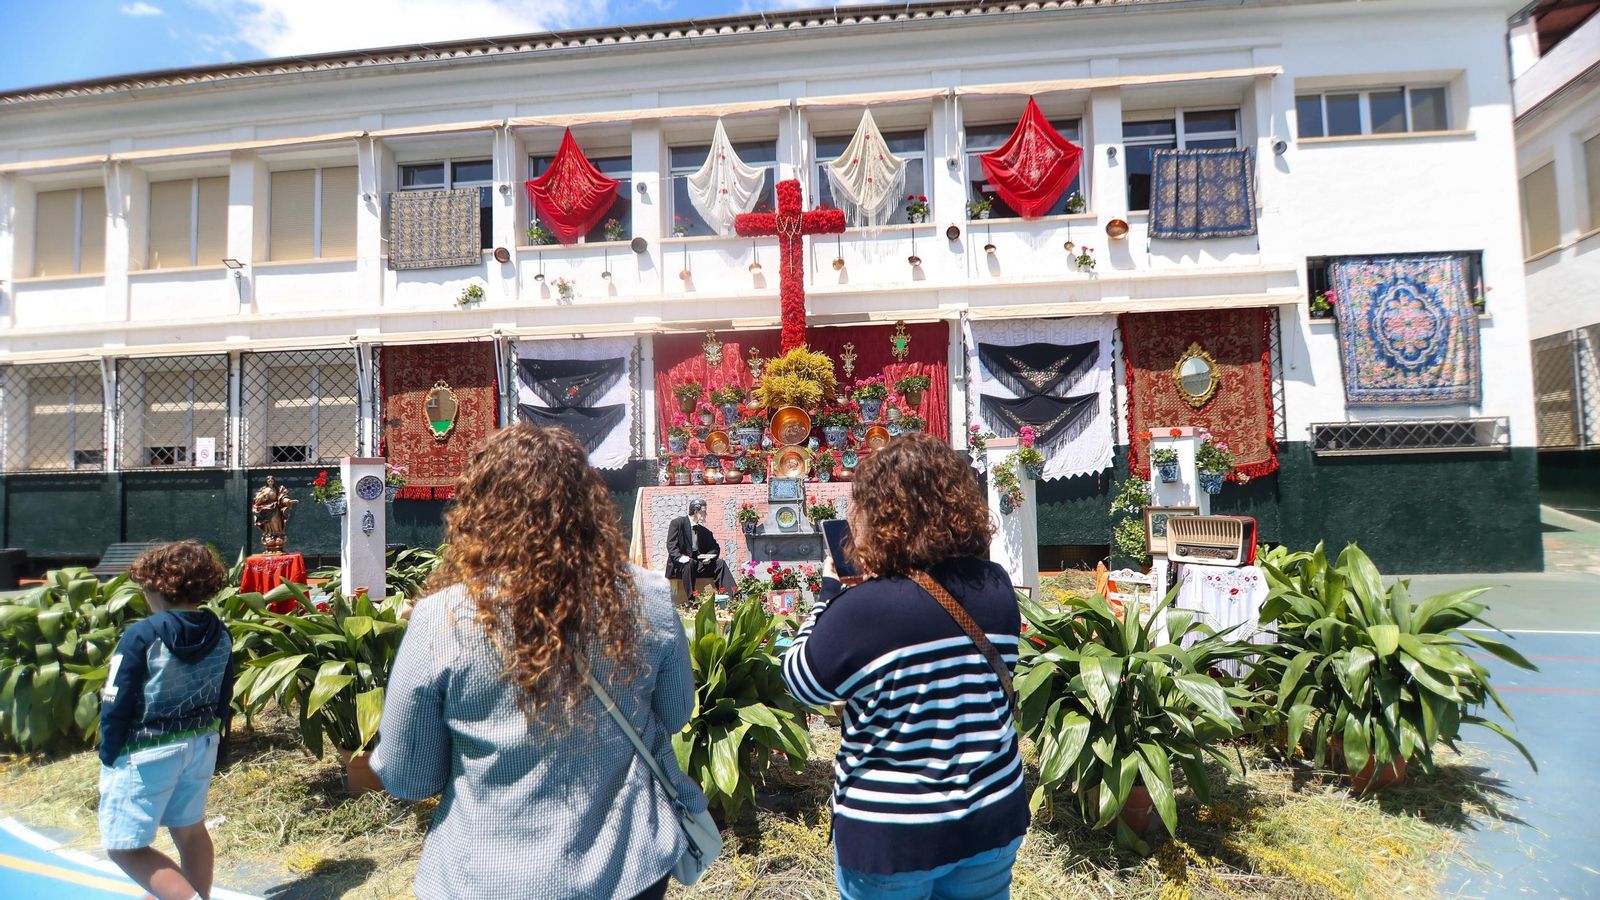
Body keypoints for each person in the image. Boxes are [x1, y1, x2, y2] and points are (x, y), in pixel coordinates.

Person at [372, 424, 707, 900]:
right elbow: (674, 714)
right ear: (589, 505)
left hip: (486, 875)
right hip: (628, 868)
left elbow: (409, 776)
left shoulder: (442, 619)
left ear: (479, 509)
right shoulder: (648, 597)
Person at [781, 432, 1028, 900]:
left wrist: (827, 596)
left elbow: (801, 681)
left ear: (880, 514)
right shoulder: (995, 586)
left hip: (893, 837)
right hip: (990, 817)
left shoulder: (864, 610)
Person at [99, 541, 234, 900]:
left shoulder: (142, 635)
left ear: (156, 586)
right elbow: (224, 696)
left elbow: (117, 698)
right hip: (202, 742)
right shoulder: (220, 632)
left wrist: (109, 751)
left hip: (147, 748)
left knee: (124, 847)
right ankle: (195, 892)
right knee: (190, 831)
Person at [665, 498, 735, 599]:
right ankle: (692, 600)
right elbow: (671, 545)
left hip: (698, 562)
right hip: (680, 566)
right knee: (688, 564)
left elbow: (715, 547)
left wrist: (709, 557)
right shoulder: (677, 523)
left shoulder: (704, 531)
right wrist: (680, 557)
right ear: (696, 511)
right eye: (703, 511)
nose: (705, 514)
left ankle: (733, 596)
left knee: (720, 563)